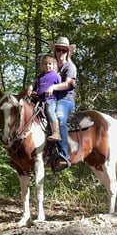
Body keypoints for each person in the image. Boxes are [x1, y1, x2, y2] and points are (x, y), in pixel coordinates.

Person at [47, 36, 78, 170]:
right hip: (50, 100)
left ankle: (64, 155)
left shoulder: (69, 67)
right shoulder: (51, 67)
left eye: (63, 50)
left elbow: (68, 84)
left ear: (67, 52)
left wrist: (53, 87)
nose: (60, 53)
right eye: (58, 50)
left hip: (65, 100)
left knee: (59, 118)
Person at [28, 54, 62, 141]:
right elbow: (35, 84)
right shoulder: (40, 77)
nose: (47, 66)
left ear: (54, 65)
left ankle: (56, 132)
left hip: (50, 100)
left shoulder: (55, 76)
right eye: (45, 64)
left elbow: (60, 88)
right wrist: (32, 88)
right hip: (38, 101)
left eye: (50, 64)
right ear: (42, 65)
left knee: (50, 111)